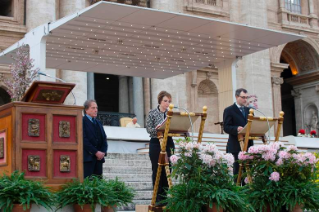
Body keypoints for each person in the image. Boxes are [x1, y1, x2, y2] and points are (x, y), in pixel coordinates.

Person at [146, 91, 175, 206]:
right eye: (165, 101)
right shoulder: (152, 113)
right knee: (157, 169)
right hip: (156, 143)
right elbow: (148, 129)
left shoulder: (171, 113)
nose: (167, 103)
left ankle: (165, 196)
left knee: (168, 171)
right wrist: (157, 129)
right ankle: (157, 197)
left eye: (169, 101)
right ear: (160, 101)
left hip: (168, 143)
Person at [223, 88, 253, 183]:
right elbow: (226, 127)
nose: (245, 100)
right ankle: (238, 193)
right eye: (243, 97)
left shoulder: (249, 111)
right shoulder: (229, 110)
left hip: (248, 145)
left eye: (246, 97)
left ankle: (247, 191)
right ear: (236, 97)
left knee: (248, 171)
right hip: (236, 145)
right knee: (237, 171)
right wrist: (236, 129)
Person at [83, 99, 108, 178]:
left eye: (96, 108)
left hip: (99, 159)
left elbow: (104, 138)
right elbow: (84, 139)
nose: (96, 110)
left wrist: (102, 152)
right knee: (88, 183)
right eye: (93, 108)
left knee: (98, 184)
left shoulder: (98, 122)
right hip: (88, 159)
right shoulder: (82, 121)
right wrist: (95, 152)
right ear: (86, 110)